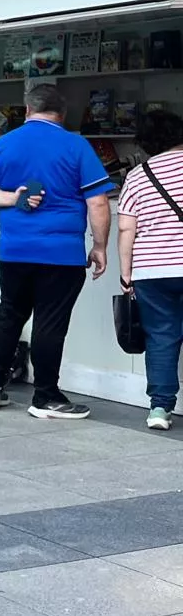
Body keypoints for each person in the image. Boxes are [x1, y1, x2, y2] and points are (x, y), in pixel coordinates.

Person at [0, 84, 112, 419]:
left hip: (14, 250)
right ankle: (45, 396)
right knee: (50, 322)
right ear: (62, 114)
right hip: (61, 254)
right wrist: (100, 246)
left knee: (10, 314)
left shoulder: (5, 143)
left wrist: (11, 197)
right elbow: (98, 201)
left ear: (27, 109)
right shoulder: (76, 145)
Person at [118, 110, 183, 430]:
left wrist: (126, 273)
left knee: (161, 337)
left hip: (152, 271)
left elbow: (127, 229)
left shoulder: (138, 176)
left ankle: (160, 408)